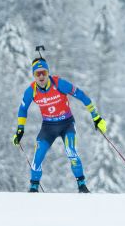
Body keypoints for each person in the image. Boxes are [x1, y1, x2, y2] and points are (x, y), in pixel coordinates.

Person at [13, 57, 107, 193]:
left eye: (43, 73)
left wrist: (96, 117)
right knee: (38, 155)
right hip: (48, 127)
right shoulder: (31, 91)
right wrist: (20, 129)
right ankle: (33, 187)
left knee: (71, 151)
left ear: (48, 73)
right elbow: (23, 109)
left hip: (66, 124)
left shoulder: (59, 84)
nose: (41, 76)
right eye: (37, 73)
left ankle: (82, 185)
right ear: (33, 75)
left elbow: (82, 96)